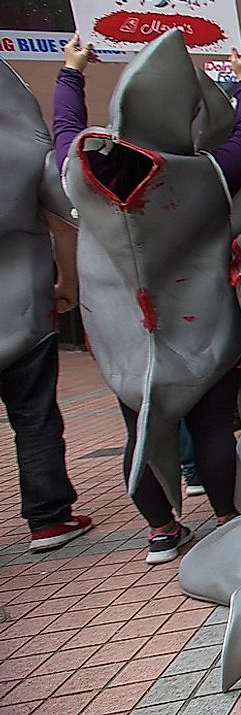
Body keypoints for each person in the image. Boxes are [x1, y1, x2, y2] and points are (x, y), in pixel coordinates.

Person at [54, 34, 241, 563]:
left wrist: (71, 71)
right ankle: (227, 518)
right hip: (203, 331)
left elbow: (65, 130)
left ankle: (163, 529)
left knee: (139, 427)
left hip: (124, 339)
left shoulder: (79, 173)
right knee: (213, 427)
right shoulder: (206, 175)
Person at [1, 52, 93, 553]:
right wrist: (68, 280)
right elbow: (65, 211)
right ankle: (47, 517)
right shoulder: (21, 144)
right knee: (34, 416)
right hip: (22, 304)